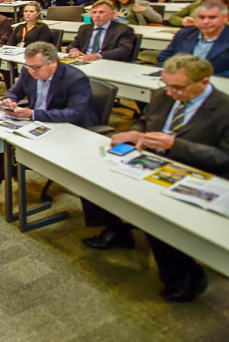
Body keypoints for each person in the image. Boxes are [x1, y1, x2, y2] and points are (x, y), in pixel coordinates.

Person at [81, 55, 229, 302]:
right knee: (90, 174)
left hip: (195, 170)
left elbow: (224, 157)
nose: (170, 93)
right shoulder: (163, 94)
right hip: (152, 158)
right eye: (166, 85)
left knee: (155, 215)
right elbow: (144, 120)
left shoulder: (223, 109)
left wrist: (174, 145)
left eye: (178, 88)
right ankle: (117, 230)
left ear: (203, 82)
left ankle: (186, 276)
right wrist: (135, 132)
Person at [0, 41, 97, 208]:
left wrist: (33, 114)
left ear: (53, 63)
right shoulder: (29, 71)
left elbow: (75, 114)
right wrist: (10, 99)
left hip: (70, 129)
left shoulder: (75, 78)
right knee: (7, 140)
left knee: (12, 145)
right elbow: (15, 91)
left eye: (36, 67)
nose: (31, 71)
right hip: (41, 123)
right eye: (28, 66)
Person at [157, 1, 229, 76]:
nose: (206, 21)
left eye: (212, 17)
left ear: (225, 18)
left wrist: (199, 78)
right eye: (201, 17)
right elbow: (164, 57)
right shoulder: (185, 34)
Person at [66, 0, 137, 61]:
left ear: (112, 14)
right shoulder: (84, 28)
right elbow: (73, 44)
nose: (97, 15)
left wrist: (99, 55)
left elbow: (123, 51)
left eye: (101, 12)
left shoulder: (123, 30)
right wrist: (73, 50)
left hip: (106, 62)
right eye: (94, 12)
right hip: (84, 60)